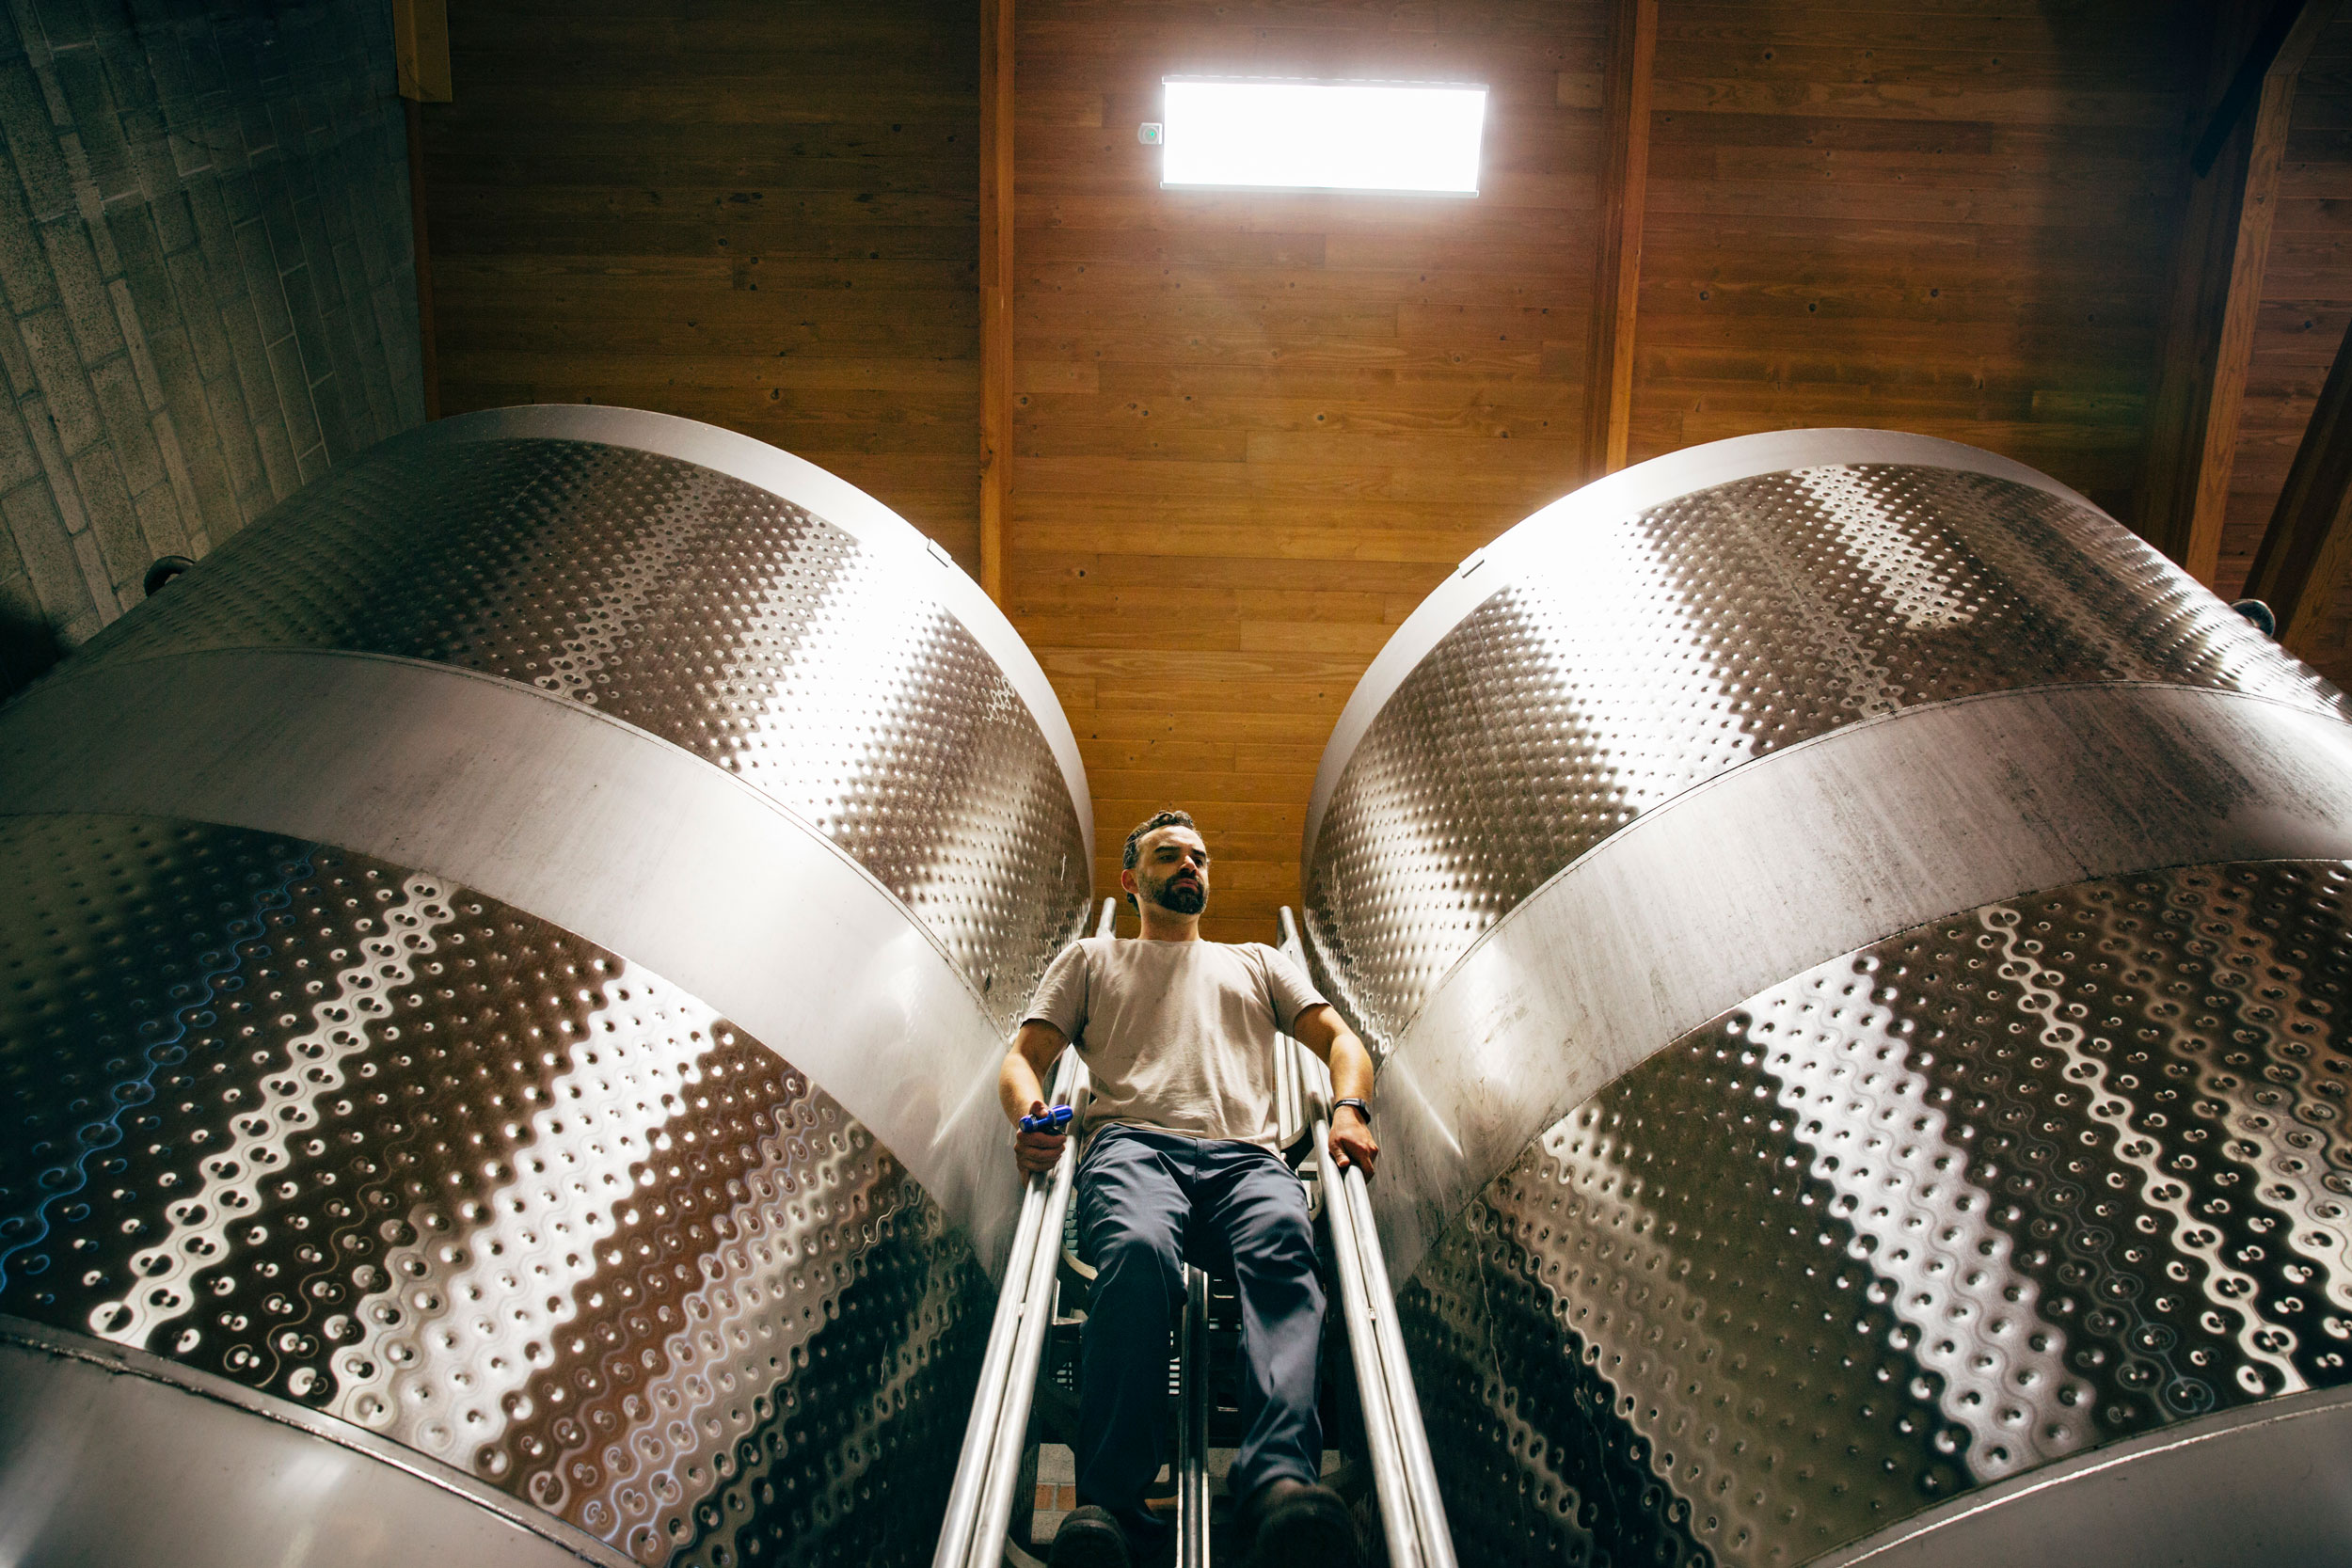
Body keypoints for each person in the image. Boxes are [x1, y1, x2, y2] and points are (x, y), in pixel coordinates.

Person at [1000, 809, 1379, 1568]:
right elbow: (1022, 1057)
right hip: (1134, 1146)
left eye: (1199, 858)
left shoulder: (1258, 960)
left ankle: (1276, 1483)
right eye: (1170, 856)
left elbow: (1342, 1041)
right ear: (1130, 877)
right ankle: (1109, 1504)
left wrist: (1348, 1109)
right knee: (1137, 1257)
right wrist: (1029, 1117)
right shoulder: (1091, 959)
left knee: (1284, 1251)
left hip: (1248, 1155)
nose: (1189, 868)